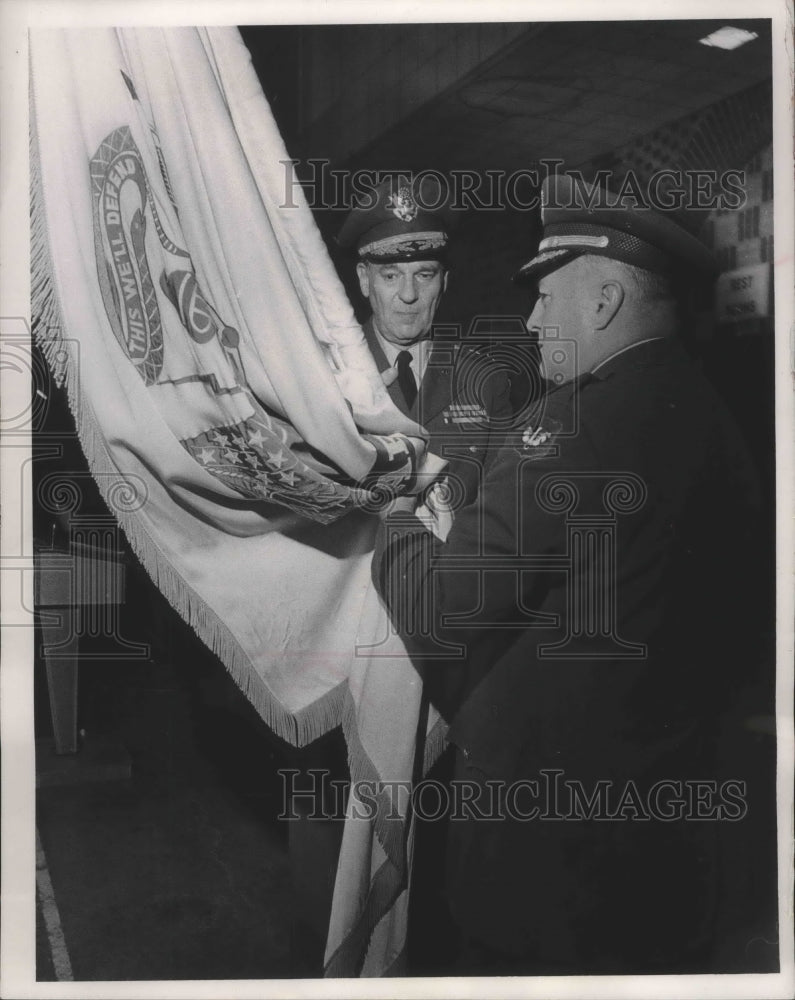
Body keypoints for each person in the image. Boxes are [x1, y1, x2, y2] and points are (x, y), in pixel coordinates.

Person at [374, 173, 774, 974]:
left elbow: (442, 610)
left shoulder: (568, 428)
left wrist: (392, 523)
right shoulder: (718, 417)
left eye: (546, 299)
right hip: (671, 843)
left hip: (543, 852)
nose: (529, 321)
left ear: (600, 304)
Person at [337, 174, 512, 505]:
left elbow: (499, 506)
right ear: (364, 280)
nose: (408, 294)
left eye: (424, 275)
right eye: (390, 276)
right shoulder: (330, 371)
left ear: (444, 282)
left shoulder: (485, 380)